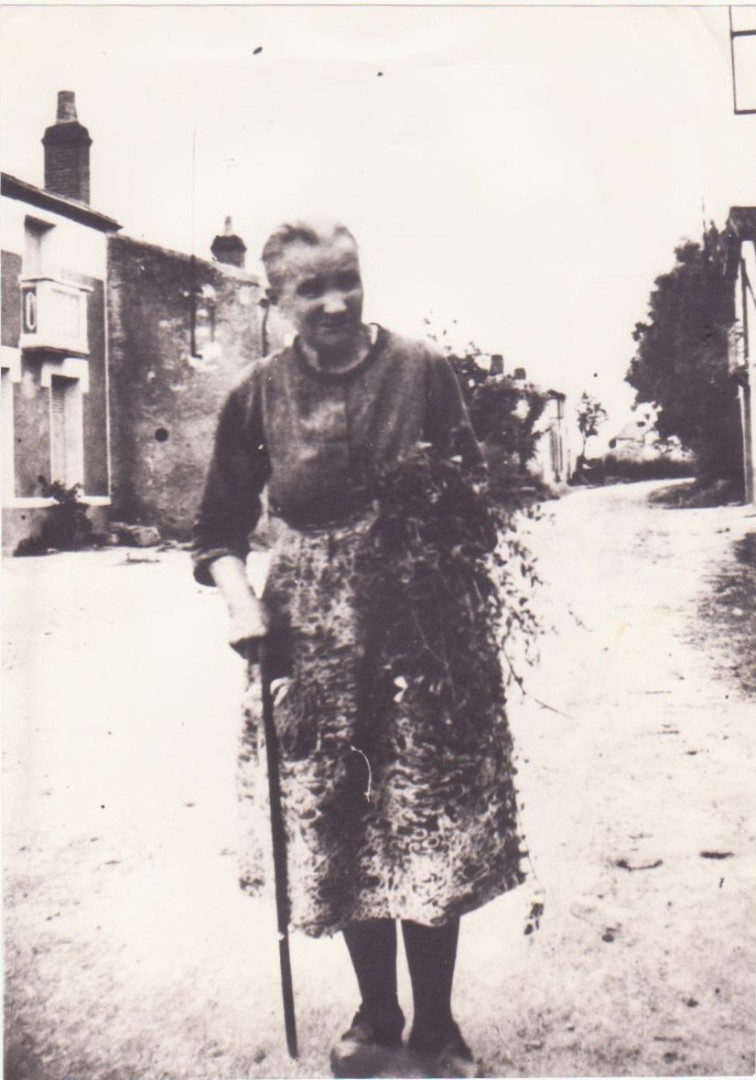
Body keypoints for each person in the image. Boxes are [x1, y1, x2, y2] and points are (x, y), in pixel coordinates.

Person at [193, 221, 524, 1078]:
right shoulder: (256, 396)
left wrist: (441, 547)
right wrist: (241, 603)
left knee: (425, 816)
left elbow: (473, 496)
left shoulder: (422, 369)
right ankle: (378, 1017)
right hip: (310, 641)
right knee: (341, 814)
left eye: (347, 279)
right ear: (277, 301)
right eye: (312, 288)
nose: (335, 301)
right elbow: (218, 531)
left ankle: (437, 1028)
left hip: (421, 631)